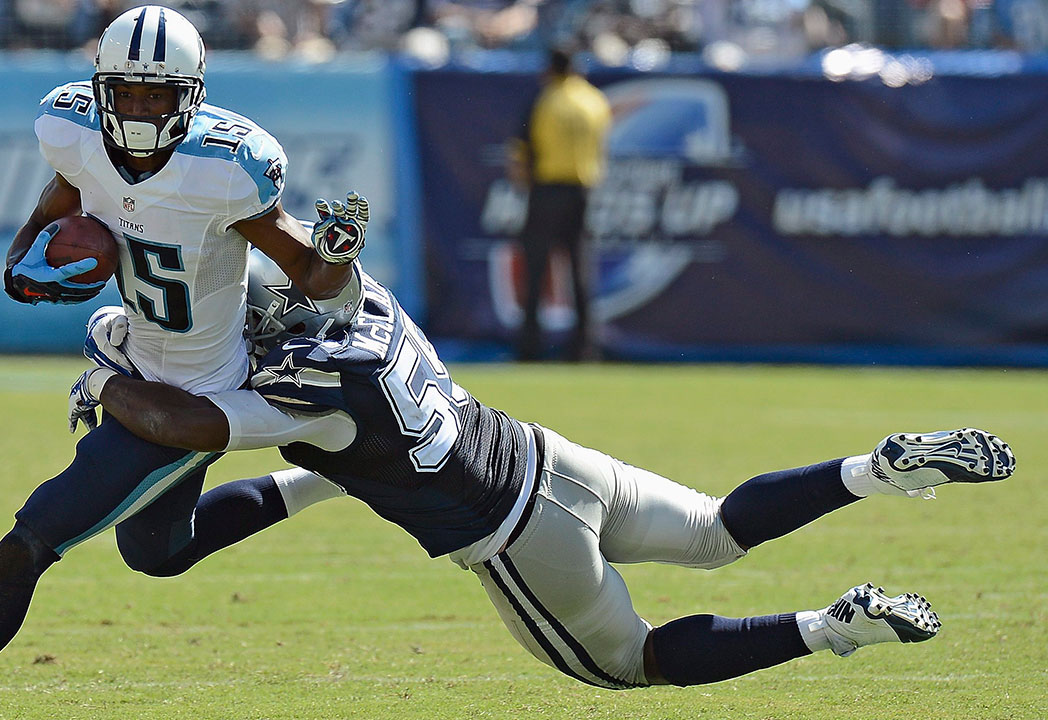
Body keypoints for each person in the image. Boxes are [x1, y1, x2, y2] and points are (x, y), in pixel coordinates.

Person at [64, 239, 1016, 690]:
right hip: (546, 455)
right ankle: (877, 471)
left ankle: (832, 627)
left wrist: (109, 367)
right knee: (719, 529)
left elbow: (187, 424)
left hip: (519, 536)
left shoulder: (293, 391)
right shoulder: (371, 303)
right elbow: (321, 275)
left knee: (631, 666)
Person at [0, 6, 368, 719]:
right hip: (131, 351)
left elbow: (314, 279)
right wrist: (28, 272)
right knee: (157, 552)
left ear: (191, 97)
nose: (142, 111)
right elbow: (35, 234)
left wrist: (335, 256)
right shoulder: (76, 138)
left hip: (191, 395)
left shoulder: (224, 171)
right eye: (128, 94)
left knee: (27, 543)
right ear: (101, 89)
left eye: (158, 96)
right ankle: (324, 480)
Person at [508, 47, 611, 361]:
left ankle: (530, 347)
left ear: (551, 69)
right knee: (579, 269)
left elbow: (522, 150)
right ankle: (584, 347)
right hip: (582, 190)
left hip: (547, 190)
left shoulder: (546, 100)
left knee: (536, 267)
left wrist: (523, 182)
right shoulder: (595, 100)